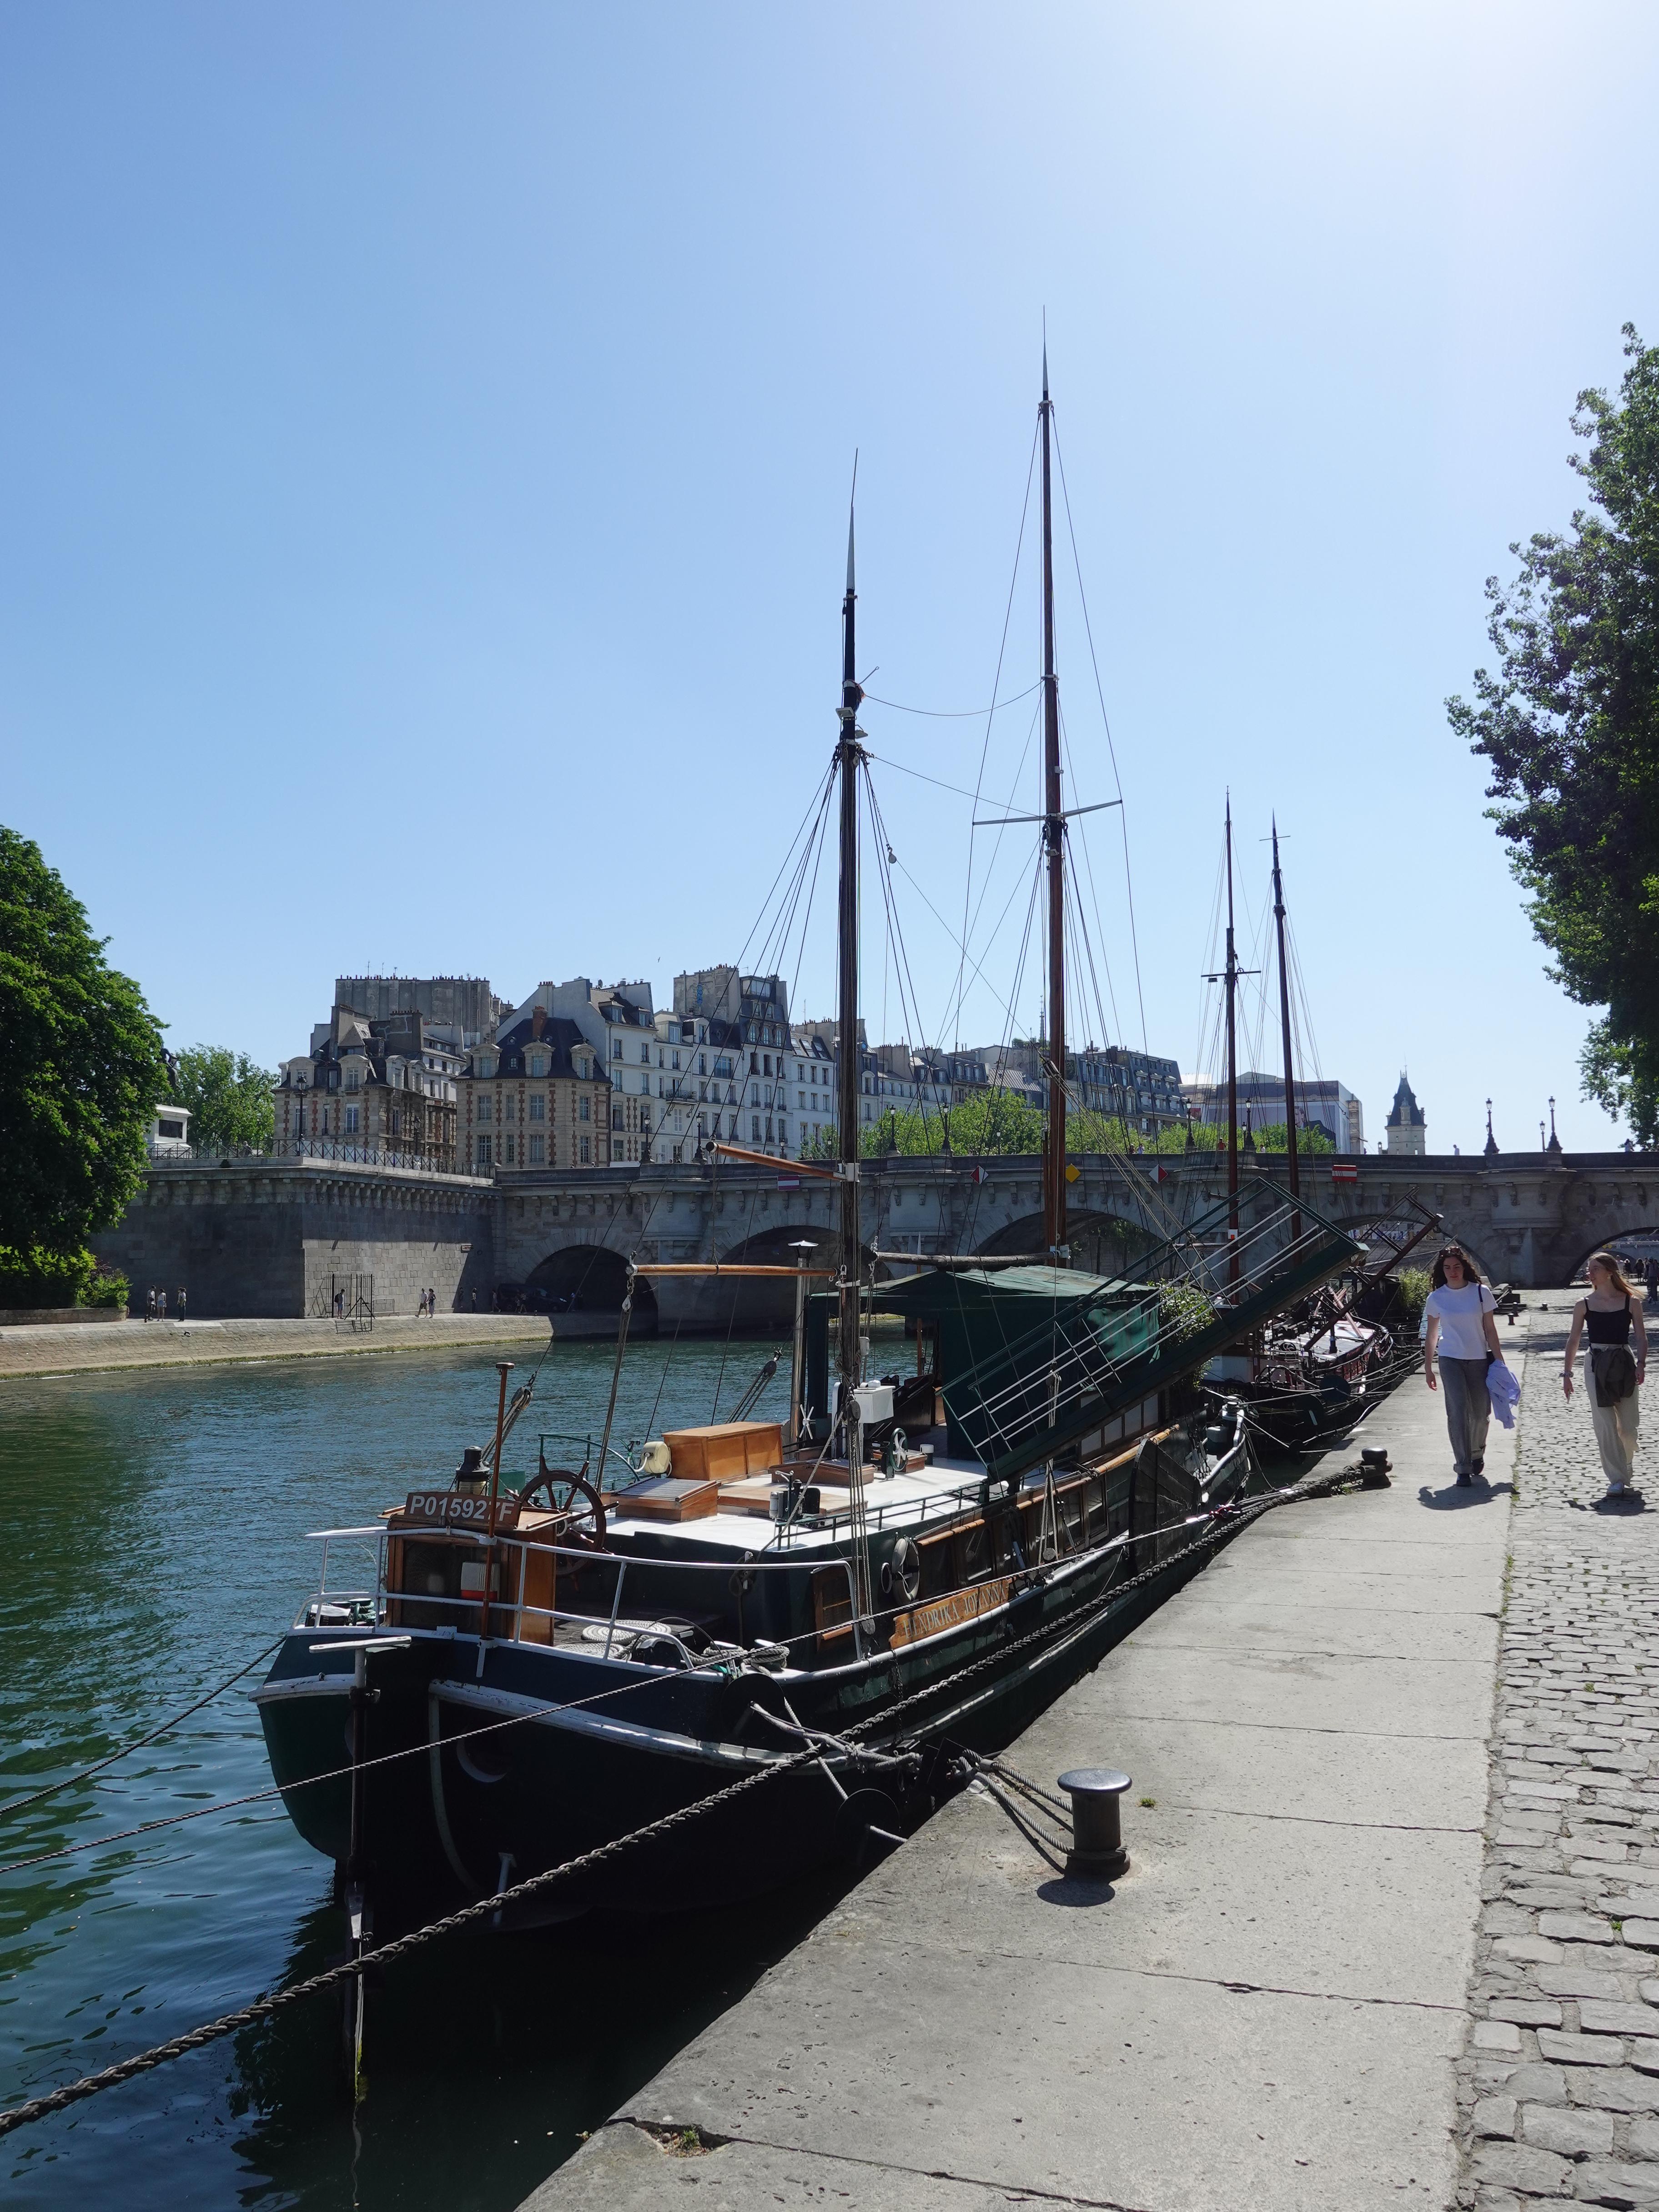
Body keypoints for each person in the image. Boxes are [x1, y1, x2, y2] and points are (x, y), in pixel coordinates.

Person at [1422, 1243, 1508, 1486]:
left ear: (1464, 1268)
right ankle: (1462, 1466)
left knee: (1481, 1413)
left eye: (1457, 1267)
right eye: (1448, 1268)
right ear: (1443, 1271)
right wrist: (1429, 1367)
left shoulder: (1481, 1293)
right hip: (1450, 1359)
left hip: (1479, 1359)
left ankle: (1476, 1453)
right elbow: (1431, 1335)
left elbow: (1490, 1330)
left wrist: (1500, 1363)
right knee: (1457, 1411)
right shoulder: (1436, 1297)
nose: (1453, 1271)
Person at [1563, 1250, 1648, 1496]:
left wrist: (1641, 1363)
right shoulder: (1584, 1304)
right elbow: (1574, 1339)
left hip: (1623, 1360)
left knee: (1629, 1427)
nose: (1589, 1273)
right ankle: (1617, 1478)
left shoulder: (1631, 1302)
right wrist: (1567, 1374)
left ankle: (1626, 1457)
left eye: (1595, 1269)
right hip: (1595, 1362)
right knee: (1605, 1423)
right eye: (1589, 1269)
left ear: (1609, 1273)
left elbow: (1641, 1337)